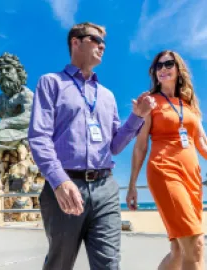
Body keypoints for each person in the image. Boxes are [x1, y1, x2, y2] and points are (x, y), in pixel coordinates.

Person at [28, 22, 156, 270]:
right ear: (75, 42)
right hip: (66, 185)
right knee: (60, 263)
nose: (102, 46)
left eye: (104, 43)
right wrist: (59, 180)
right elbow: (39, 136)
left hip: (105, 188)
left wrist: (137, 117)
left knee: (109, 265)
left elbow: (115, 146)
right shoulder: (51, 83)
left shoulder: (106, 95)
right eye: (96, 40)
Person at [126, 50, 207, 270]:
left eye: (168, 64)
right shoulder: (151, 103)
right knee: (196, 244)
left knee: (179, 251)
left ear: (178, 68)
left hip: (192, 177)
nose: (162, 69)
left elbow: (201, 141)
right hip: (164, 172)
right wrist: (132, 184)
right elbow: (141, 145)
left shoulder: (189, 104)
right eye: (158, 66)